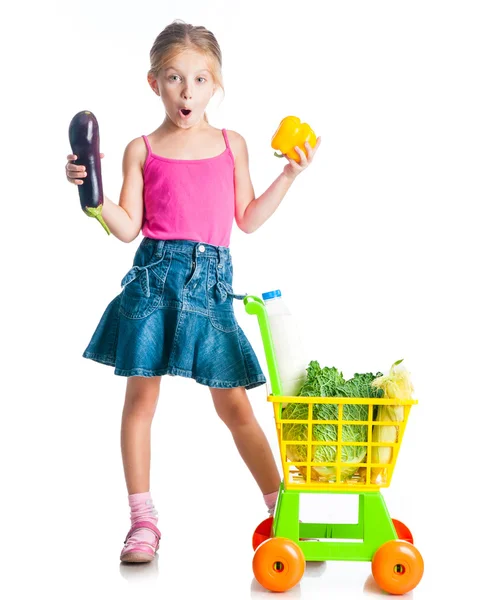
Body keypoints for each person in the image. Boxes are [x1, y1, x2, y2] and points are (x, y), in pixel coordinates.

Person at [65, 20, 320, 564]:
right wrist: (91, 192)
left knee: (236, 409)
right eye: (176, 78)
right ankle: (143, 524)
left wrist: (290, 177)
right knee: (140, 403)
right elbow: (127, 226)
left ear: (216, 83)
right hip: (154, 282)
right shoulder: (141, 149)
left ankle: (282, 513)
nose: (188, 91)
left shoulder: (233, 146)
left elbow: (247, 220)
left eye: (201, 79)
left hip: (211, 285)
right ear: (154, 82)